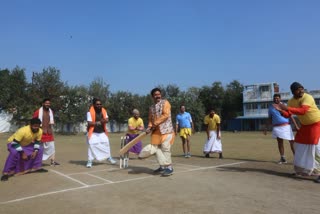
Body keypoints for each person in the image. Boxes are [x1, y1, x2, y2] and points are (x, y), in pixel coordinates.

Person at [273, 82, 320, 183]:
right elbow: (288, 114)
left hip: (316, 124)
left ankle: (318, 170)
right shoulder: (291, 101)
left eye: (302, 88)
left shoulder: (308, 97)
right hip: (305, 126)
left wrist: (286, 108)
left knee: (316, 148)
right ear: (293, 91)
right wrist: (281, 111)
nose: (301, 90)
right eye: (298, 89)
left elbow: (303, 111)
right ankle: (303, 170)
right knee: (298, 144)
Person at [138, 88, 175, 176]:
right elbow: (150, 119)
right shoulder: (151, 107)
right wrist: (149, 127)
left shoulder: (165, 103)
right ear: (152, 96)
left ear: (161, 95)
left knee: (165, 149)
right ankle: (162, 167)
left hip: (166, 130)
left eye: (159, 94)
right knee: (157, 150)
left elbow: (165, 115)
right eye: (155, 95)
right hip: (156, 132)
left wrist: (154, 123)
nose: (157, 96)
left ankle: (169, 167)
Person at [86, 98, 116, 168]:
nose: (99, 105)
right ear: (94, 105)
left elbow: (107, 119)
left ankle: (109, 157)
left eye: (100, 104)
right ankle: (89, 161)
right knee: (91, 146)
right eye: (97, 104)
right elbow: (90, 123)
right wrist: (97, 123)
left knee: (106, 144)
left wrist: (102, 121)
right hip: (93, 132)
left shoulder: (104, 110)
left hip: (102, 131)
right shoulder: (89, 112)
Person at [267, 94, 295, 164]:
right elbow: (270, 118)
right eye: (275, 98)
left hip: (286, 126)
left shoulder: (284, 105)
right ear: (273, 99)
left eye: (277, 98)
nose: (276, 99)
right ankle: (283, 158)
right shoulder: (270, 107)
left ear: (280, 99)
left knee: (292, 142)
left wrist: (296, 125)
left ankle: (297, 158)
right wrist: (266, 127)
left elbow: (290, 116)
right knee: (280, 143)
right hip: (276, 127)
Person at [33, 98, 60, 166]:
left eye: (49, 103)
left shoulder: (51, 112)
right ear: (43, 104)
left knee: (52, 147)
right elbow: (33, 122)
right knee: (39, 148)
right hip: (40, 132)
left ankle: (52, 161)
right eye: (46, 103)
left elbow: (51, 121)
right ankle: (38, 162)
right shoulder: (37, 112)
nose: (48, 104)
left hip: (49, 132)